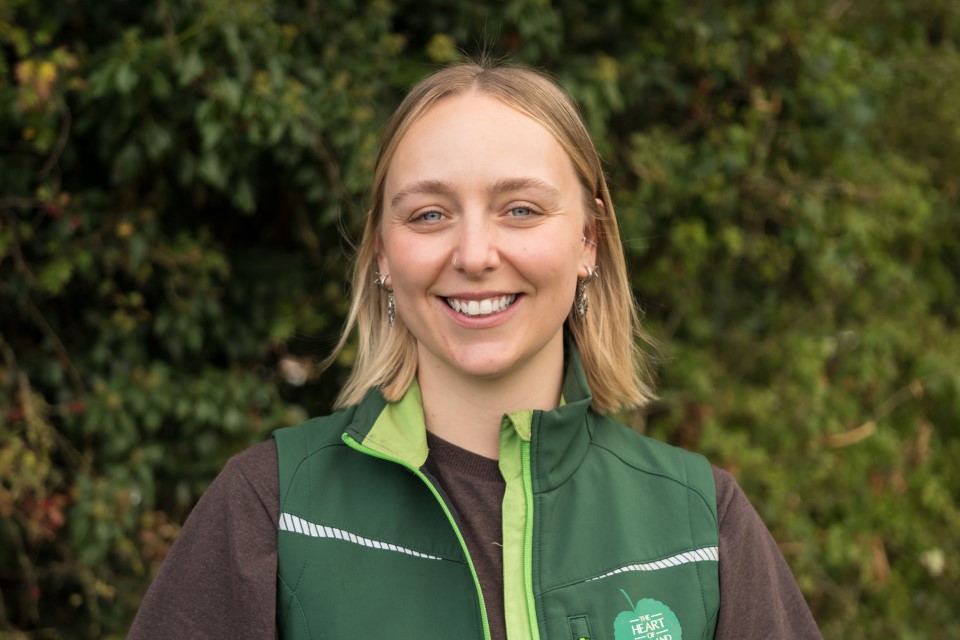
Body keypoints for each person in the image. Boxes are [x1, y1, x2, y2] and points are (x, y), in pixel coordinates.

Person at [129, 61, 821, 639]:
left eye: (520, 208)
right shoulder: (272, 509)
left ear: (589, 241)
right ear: (381, 254)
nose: (474, 254)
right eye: (429, 214)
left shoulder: (700, 523)